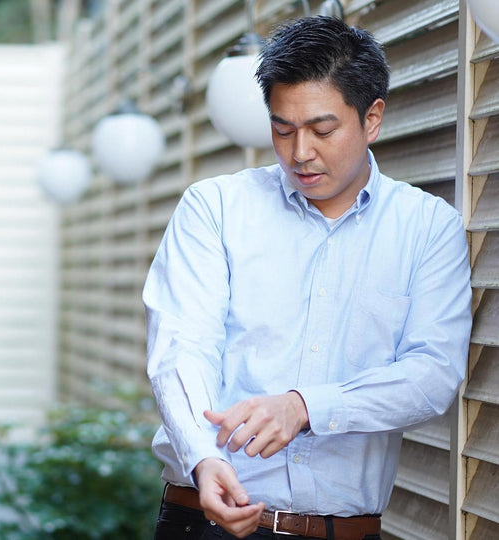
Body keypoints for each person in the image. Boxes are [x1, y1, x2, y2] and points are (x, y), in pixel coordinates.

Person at [143, 15, 472, 540]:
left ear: (372, 119)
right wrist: (204, 458)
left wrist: (304, 407)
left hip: (343, 530)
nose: (300, 153)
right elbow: (182, 346)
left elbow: (433, 373)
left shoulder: (428, 228)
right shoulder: (215, 208)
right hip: (205, 523)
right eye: (282, 128)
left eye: (322, 130)